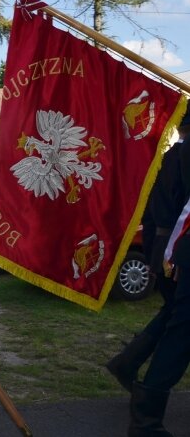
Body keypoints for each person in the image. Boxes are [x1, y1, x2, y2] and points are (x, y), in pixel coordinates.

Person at [107, 113, 190, 392]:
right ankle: (147, 395)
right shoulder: (181, 156)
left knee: (174, 314)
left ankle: (127, 365)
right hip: (175, 249)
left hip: (165, 245)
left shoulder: (169, 157)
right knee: (179, 320)